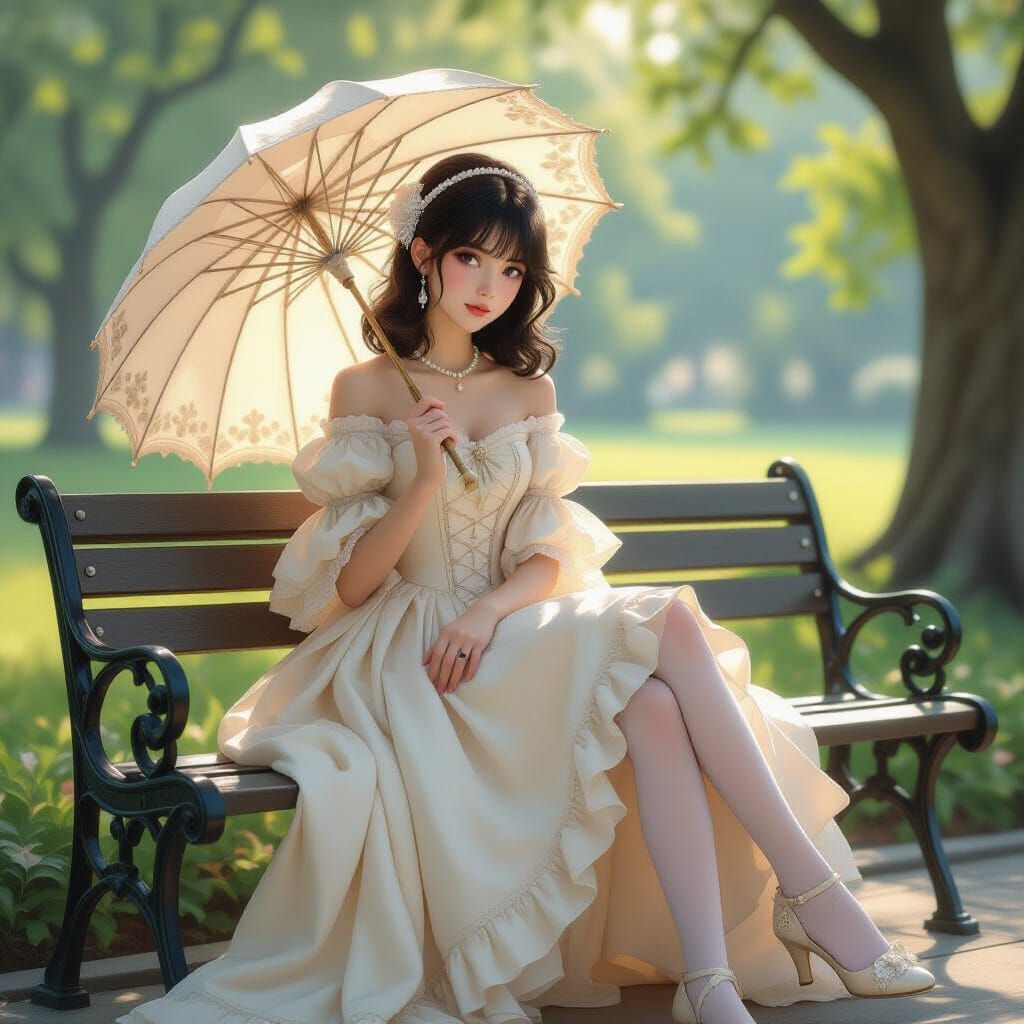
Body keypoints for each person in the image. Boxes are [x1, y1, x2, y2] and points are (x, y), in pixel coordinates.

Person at [117, 153, 934, 1024]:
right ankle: (813, 899)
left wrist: (488, 608)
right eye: (472, 258)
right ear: (424, 254)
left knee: (657, 702)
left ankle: (709, 978)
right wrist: (422, 478)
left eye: (513, 270)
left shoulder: (529, 387)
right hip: (411, 655)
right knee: (665, 634)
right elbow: (350, 588)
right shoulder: (365, 390)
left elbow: (550, 551)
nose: (491, 286)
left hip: (506, 624)